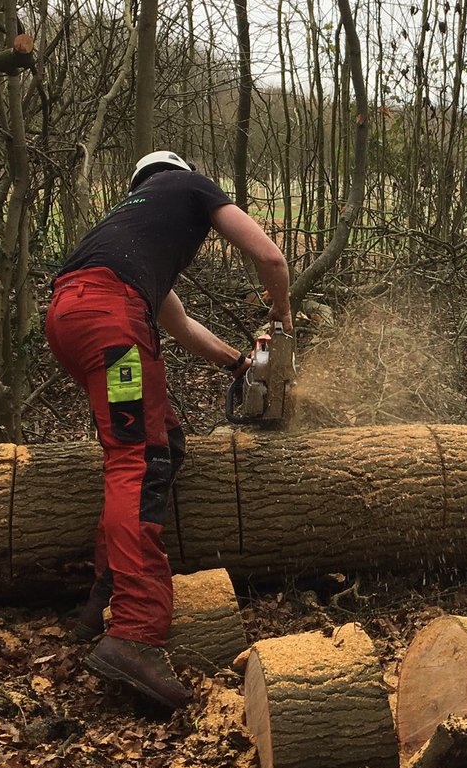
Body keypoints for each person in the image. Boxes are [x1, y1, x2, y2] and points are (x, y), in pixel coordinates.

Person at [45, 150, 292, 709]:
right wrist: (281, 317)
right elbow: (272, 259)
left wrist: (238, 364)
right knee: (139, 460)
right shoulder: (191, 187)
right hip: (112, 323)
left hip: (70, 318)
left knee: (163, 444)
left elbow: (178, 325)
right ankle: (134, 632)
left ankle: (99, 604)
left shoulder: (125, 234)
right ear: (176, 176)